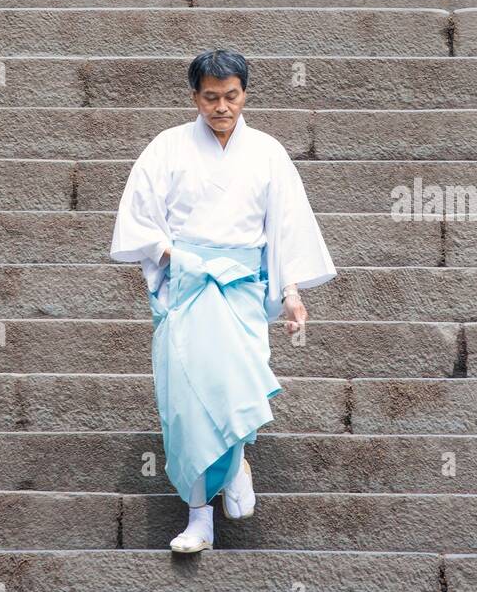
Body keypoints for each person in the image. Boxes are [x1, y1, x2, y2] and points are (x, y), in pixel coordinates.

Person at [110, 48, 336, 554]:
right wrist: (179, 257)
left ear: (244, 94)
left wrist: (292, 294)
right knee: (187, 405)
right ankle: (198, 517)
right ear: (195, 97)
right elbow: (139, 220)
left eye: (230, 96)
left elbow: (285, 227)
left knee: (231, 388)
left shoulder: (267, 152)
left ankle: (236, 467)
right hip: (187, 282)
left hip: (241, 287)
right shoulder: (167, 148)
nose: (221, 107)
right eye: (210, 97)